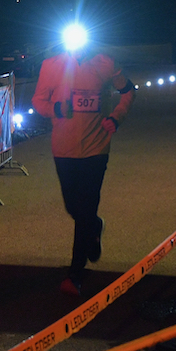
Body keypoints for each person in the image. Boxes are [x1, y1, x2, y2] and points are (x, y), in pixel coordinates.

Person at [32, 25, 137, 297]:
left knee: (86, 206)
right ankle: (94, 226)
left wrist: (116, 117)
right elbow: (38, 101)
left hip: (96, 147)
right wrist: (55, 108)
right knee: (74, 207)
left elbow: (129, 91)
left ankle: (75, 274)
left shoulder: (105, 64)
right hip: (63, 149)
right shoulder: (51, 66)